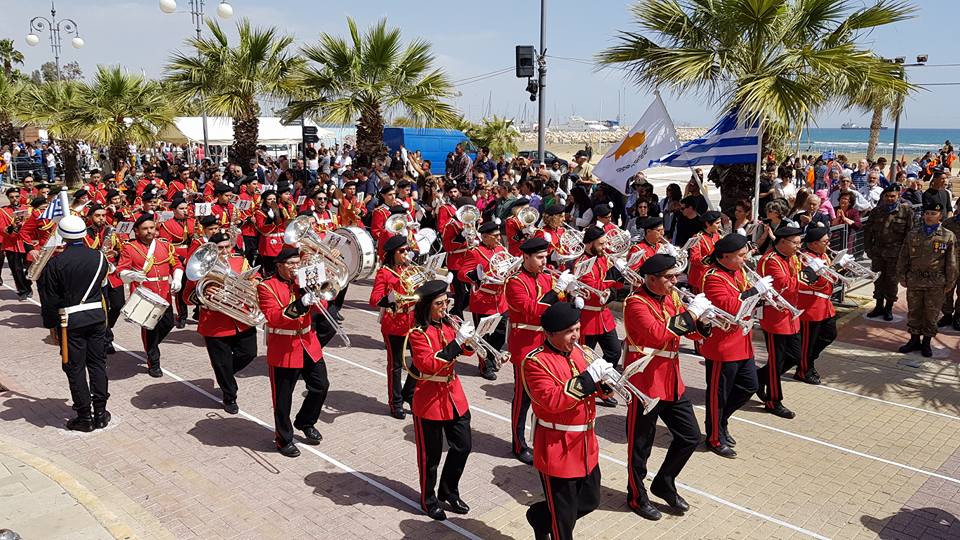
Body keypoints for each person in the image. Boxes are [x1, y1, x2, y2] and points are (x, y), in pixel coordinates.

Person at [623, 254, 709, 520]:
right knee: (641, 446)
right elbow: (658, 335)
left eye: (675, 276)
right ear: (650, 279)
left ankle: (664, 482)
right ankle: (636, 496)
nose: (675, 282)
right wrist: (692, 314)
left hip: (671, 379)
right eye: (669, 277)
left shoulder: (670, 297)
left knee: (690, 436)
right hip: (645, 381)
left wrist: (703, 321)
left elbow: (686, 331)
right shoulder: (635, 303)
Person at [522, 302, 612, 540]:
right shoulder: (535, 362)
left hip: (586, 444)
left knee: (590, 500)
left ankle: (540, 516)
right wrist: (588, 380)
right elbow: (551, 400)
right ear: (550, 334)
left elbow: (597, 391)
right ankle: (547, 519)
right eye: (570, 332)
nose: (576, 336)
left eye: (578, 328)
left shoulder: (580, 352)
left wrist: (606, 384)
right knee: (564, 522)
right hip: (557, 447)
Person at [405, 279, 475, 521]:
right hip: (429, 399)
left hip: (454, 395)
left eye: (446, 302)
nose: (445, 307)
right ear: (426, 307)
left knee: (463, 446)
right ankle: (428, 499)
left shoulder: (448, 324)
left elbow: (467, 352)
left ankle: (448, 490)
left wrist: (469, 339)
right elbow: (428, 364)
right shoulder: (417, 333)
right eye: (439, 304)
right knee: (430, 457)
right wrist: (457, 343)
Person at [37, 215, 110, 432]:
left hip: (71, 321)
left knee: (75, 367)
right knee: (97, 364)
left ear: (62, 236)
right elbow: (104, 288)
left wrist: (51, 326)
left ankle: (85, 416)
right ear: (84, 234)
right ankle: (101, 412)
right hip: (97, 316)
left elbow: (50, 300)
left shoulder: (56, 263)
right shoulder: (99, 257)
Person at [256, 247, 329, 457]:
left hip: (308, 342)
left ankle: (305, 421)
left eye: (298, 263)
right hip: (285, 347)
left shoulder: (304, 281)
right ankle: (283, 439)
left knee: (320, 386)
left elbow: (323, 304)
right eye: (291, 264)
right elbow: (273, 317)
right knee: (283, 399)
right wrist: (300, 303)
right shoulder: (266, 287)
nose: (296, 268)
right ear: (279, 265)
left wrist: (315, 296)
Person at [700, 233, 766, 458]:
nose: (744, 259)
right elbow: (730, 305)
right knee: (718, 395)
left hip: (742, 340)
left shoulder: (738, 271)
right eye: (740, 255)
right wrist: (755, 291)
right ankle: (714, 437)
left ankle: (721, 421)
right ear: (723, 257)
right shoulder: (713, 277)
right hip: (723, 345)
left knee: (750, 386)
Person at [504, 237, 565, 464]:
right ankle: (518, 443)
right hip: (525, 346)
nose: (544, 261)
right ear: (526, 257)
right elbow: (532, 310)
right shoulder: (515, 282)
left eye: (545, 257)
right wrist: (555, 292)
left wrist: (567, 295)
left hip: (546, 344)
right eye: (539, 257)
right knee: (523, 400)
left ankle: (543, 439)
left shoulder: (546, 276)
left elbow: (554, 307)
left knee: (547, 396)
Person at [183, 233, 258, 414]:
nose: (225, 252)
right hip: (215, 324)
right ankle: (229, 396)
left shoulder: (240, 262)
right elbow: (187, 297)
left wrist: (255, 283)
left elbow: (254, 279)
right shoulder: (202, 269)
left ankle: (224, 374)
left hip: (242, 318)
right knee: (222, 363)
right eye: (220, 248)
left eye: (227, 247)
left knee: (249, 353)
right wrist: (206, 292)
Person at [116, 214, 183, 377]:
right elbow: (120, 270)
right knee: (150, 329)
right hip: (145, 295)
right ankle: (154, 362)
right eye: (145, 229)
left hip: (164, 294)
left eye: (152, 228)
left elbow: (176, 263)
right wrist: (132, 275)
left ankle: (151, 347)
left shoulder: (165, 245)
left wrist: (178, 278)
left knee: (168, 323)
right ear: (137, 232)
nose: (149, 231)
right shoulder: (130, 247)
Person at [897, 201, 958, 357]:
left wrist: (950, 282)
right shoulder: (913, 234)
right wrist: (902, 275)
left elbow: (951, 262)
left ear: (940, 216)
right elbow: (904, 256)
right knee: (914, 312)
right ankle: (914, 340)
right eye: (927, 213)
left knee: (931, 314)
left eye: (933, 214)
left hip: (936, 283)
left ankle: (926, 343)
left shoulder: (947, 235)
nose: (929, 217)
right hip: (915, 280)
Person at [755, 225, 804, 419]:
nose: (799, 247)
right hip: (775, 317)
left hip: (791, 316)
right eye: (795, 243)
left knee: (795, 356)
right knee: (777, 362)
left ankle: (759, 378)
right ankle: (773, 400)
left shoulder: (792, 257)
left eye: (800, 242)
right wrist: (806, 274)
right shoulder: (770, 260)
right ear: (782, 242)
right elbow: (784, 285)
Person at [369, 235, 418, 419]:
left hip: (413, 322)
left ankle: (409, 393)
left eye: (407, 250)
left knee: (419, 361)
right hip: (394, 324)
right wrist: (391, 299)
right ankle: (395, 402)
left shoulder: (411, 269)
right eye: (402, 251)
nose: (406, 253)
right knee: (396, 365)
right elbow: (374, 299)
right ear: (393, 254)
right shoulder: (385, 272)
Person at [575, 226, 625, 407]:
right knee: (583, 358)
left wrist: (621, 273)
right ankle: (583, 389)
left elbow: (609, 287)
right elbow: (595, 288)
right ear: (590, 243)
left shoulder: (603, 257)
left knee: (614, 351)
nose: (605, 247)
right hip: (588, 317)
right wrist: (614, 276)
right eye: (601, 243)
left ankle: (602, 387)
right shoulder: (582, 262)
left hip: (604, 315)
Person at [459, 220, 509, 380]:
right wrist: (475, 275)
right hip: (483, 300)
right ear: (485, 237)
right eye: (495, 236)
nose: (499, 238)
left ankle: (492, 355)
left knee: (501, 333)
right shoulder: (475, 252)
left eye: (498, 235)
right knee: (483, 336)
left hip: (501, 299)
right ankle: (484, 366)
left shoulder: (501, 249)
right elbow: (462, 272)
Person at [796, 227, 841, 384]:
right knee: (807, 343)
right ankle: (803, 370)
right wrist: (832, 270)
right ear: (814, 244)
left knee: (829, 334)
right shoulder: (805, 258)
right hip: (811, 306)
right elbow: (813, 283)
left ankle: (810, 360)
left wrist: (839, 268)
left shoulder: (823, 255)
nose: (828, 243)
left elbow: (831, 279)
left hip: (824, 305)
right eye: (825, 241)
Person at [864, 186, 914, 321]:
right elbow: (867, 232)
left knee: (892, 282)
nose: (890, 199)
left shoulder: (906, 212)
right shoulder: (876, 211)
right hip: (878, 253)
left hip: (896, 255)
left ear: (898, 196)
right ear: (883, 197)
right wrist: (868, 249)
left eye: (892, 196)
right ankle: (878, 306)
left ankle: (888, 308)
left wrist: (906, 255)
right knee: (878, 280)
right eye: (887, 196)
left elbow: (910, 234)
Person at [0, 187, 31, 299]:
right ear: (8, 198)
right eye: (12, 197)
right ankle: (23, 291)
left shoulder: (28, 209)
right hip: (12, 244)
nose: (15, 199)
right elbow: (2, 228)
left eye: (17, 196)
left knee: (30, 268)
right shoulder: (3, 211)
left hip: (27, 242)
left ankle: (28, 285)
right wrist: (13, 227)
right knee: (17, 270)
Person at [686, 210, 722, 293]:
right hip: (699, 278)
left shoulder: (718, 235)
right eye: (717, 223)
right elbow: (694, 258)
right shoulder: (698, 238)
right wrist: (710, 258)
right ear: (707, 224)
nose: (719, 226)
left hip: (714, 275)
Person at [940, 200, 960, 331]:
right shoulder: (948, 223)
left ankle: (958, 316)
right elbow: (941, 242)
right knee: (947, 290)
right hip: (950, 263)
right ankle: (947, 315)